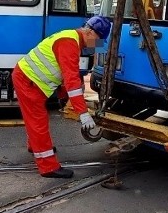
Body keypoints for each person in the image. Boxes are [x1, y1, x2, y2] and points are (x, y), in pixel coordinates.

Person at [12, 16, 112, 178]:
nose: (98, 45)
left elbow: (66, 74)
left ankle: (35, 146)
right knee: (38, 121)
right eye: (99, 40)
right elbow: (71, 80)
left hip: (29, 79)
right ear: (90, 33)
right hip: (28, 81)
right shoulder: (69, 43)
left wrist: (63, 95)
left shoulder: (72, 38)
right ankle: (48, 166)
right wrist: (83, 113)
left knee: (35, 120)